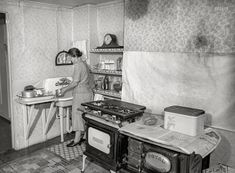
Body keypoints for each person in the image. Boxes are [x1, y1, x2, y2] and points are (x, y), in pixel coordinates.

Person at [60, 48, 94, 147]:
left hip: (80, 94)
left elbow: (75, 82)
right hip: (87, 92)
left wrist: (64, 89)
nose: (70, 60)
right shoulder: (84, 64)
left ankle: (76, 140)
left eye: (70, 57)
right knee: (85, 115)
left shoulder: (78, 65)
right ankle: (85, 137)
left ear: (74, 56)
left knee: (77, 115)